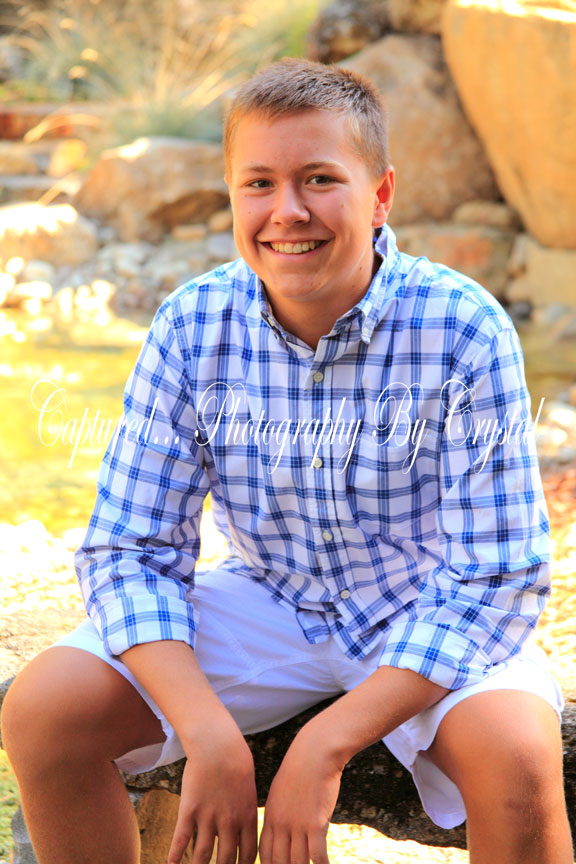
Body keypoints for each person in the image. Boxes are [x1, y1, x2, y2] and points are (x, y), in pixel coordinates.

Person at [2, 58, 573, 864]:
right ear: (232, 195)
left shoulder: (463, 328)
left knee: (516, 758)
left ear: (380, 195)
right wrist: (207, 731)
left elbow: (496, 575)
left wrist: (325, 744)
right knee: (44, 710)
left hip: (424, 604)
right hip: (270, 598)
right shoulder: (192, 325)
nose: (288, 211)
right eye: (259, 184)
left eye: (320, 179)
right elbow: (130, 549)